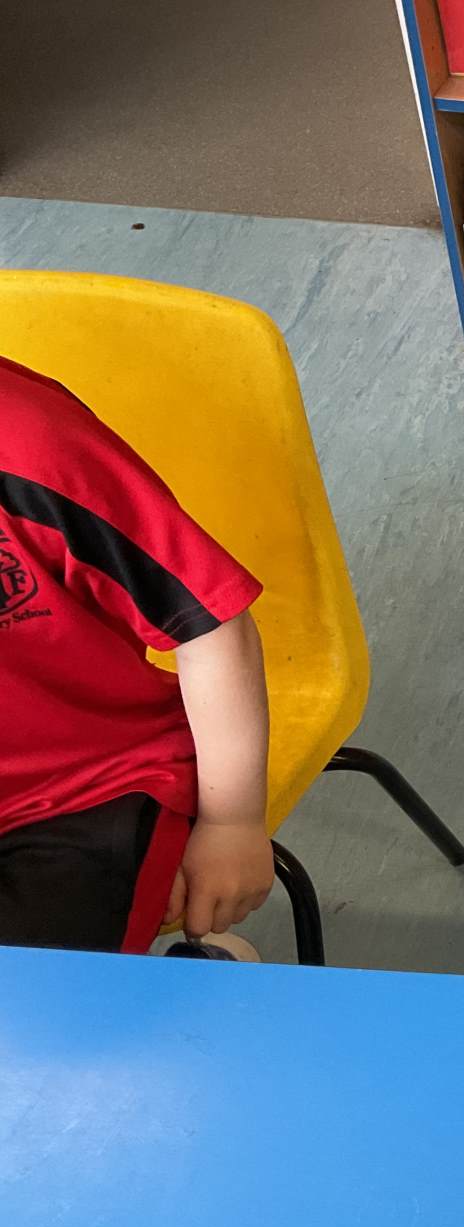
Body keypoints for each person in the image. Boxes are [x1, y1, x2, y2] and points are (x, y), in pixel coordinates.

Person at [0, 356, 274, 953]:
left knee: (33, 998)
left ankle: (192, 976)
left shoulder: (28, 445)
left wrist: (232, 822)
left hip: (83, 790)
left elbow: (206, 622)